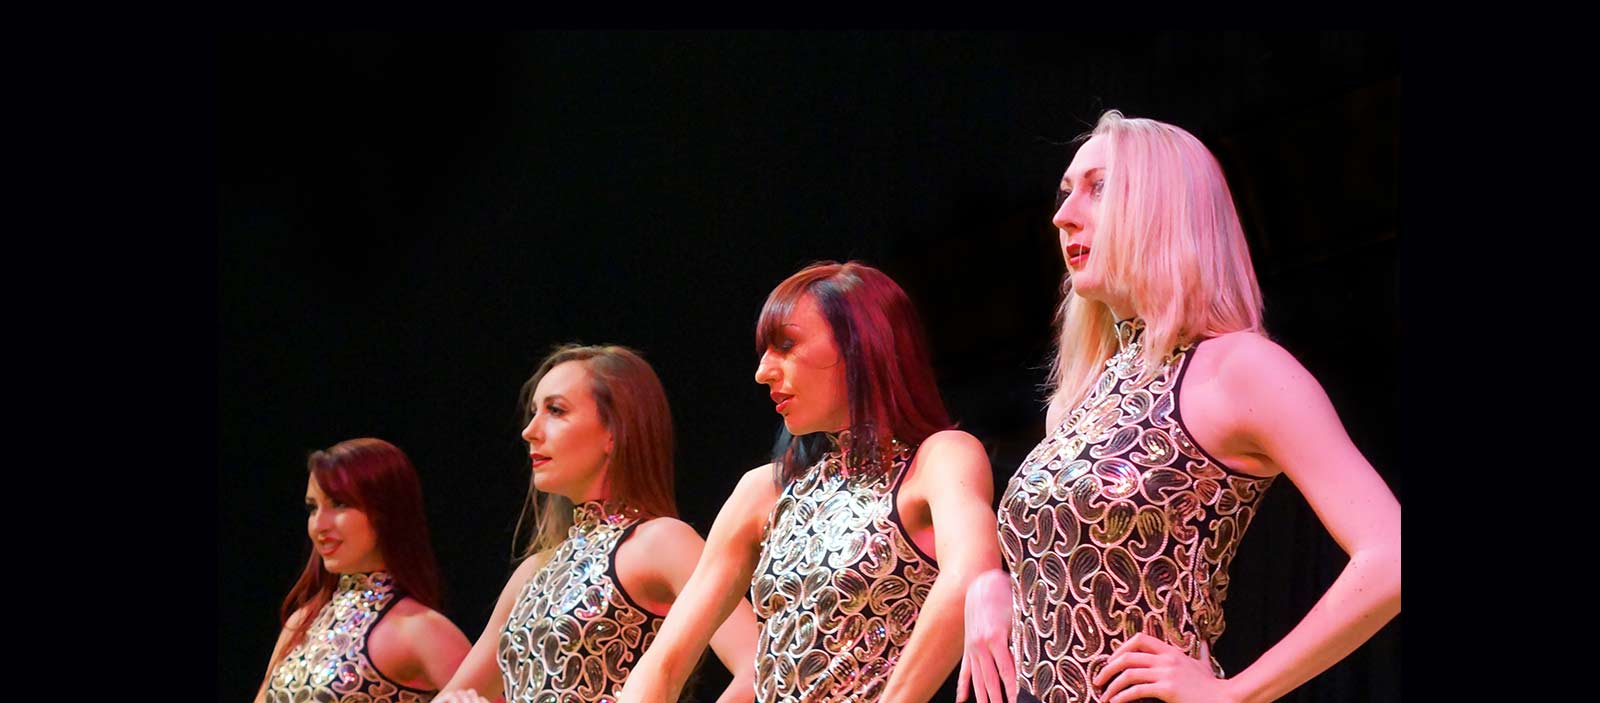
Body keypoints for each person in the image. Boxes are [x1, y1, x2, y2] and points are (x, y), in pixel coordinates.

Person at [958, 110, 1402, 703]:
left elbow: (1392, 555)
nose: (1062, 216)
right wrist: (994, 580)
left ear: (1165, 208)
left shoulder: (1240, 368)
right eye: (1066, 193)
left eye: (1099, 188)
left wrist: (1237, 693)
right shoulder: (1081, 399)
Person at [618, 261, 1003, 703]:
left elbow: (971, 574)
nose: (763, 372)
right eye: (766, 351)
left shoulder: (939, 458)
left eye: (787, 345)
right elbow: (665, 663)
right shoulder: (763, 491)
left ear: (861, 346)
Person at [434, 344, 759, 703]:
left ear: (614, 432)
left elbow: (757, 668)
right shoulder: (532, 573)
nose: (530, 430)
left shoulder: (661, 542)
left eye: (556, 410)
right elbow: (454, 695)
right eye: (533, 412)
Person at [256, 438, 473, 703]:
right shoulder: (302, 621)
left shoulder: (421, 631)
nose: (319, 525)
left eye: (339, 504)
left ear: (387, 512)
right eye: (313, 508)